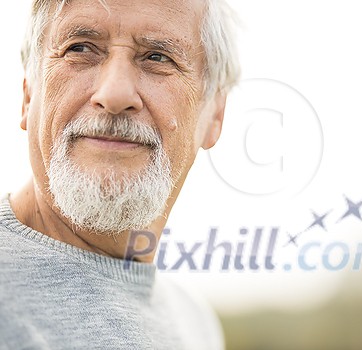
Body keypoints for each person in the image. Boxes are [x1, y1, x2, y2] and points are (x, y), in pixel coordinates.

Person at [0, 0, 240, 348]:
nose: (114, 94)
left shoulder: (195, 324)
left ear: (214, 115)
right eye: (80, 49)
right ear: (27, 96)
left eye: (158, 57)